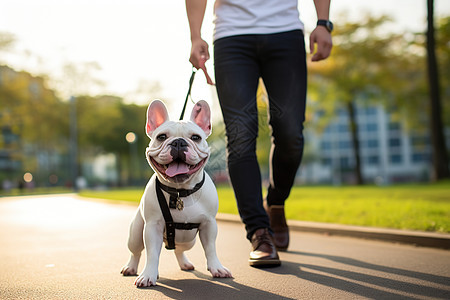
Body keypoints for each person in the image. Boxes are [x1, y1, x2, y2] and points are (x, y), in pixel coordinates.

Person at [186, 0, 332, 267]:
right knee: (240, 137)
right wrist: (195, 35)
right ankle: (259, 233)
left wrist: (323, 22)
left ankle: (275, 202)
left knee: (290, 133)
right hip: (231, 36)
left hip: (285, 32)